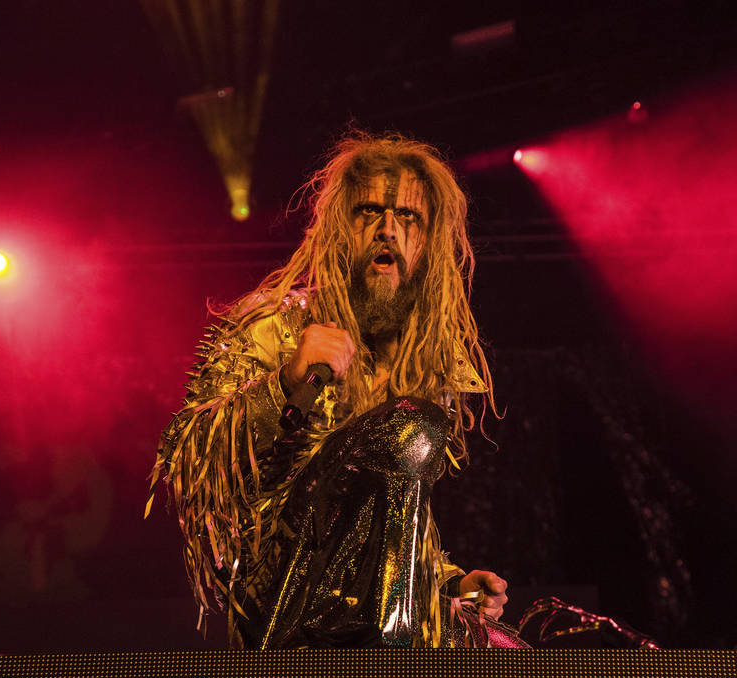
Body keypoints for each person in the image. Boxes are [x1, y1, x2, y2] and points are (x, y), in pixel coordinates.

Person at [146, 132, 516, 649]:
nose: (388, 230)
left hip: (369, 605)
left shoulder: (427, 357)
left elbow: (386, 514)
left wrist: (446, 580)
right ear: (340, 229)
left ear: (429, 241)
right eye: (370, 212)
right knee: (411, 425)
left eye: (408, 217)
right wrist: (284, 385)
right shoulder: (275, 323)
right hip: (281, 587)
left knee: (540, 642)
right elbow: (186, 459)